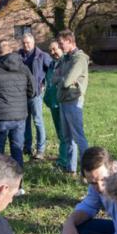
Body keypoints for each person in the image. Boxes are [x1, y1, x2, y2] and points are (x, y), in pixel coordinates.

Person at [0, 39, 35, 179]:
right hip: (19, 116)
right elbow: (32, 92)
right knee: (17, 151)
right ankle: (18, 185)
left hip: (0, 116)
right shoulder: (24, 68)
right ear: (11, 50)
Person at [54, 29, 90, 174]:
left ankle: (88, 170)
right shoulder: (65, 58)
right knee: (67, 137)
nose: (60, 46)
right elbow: (54, 78)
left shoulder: (79, 59)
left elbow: (66, 81)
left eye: (62, 43)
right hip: (63, 101)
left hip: (74, 101)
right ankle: (71, 169)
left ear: (70, 41)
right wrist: (63, 79)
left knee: (78, 136)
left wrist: (63, 79)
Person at [19, 34, 52, 160]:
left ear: (33, 42)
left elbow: (52, 70)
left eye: (28, 42)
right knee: (25, 122)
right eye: (24, 43)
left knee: (37, 121)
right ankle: (27, 147)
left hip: (36, 94)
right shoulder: (18, 56)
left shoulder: (42, 55)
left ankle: (40, 149)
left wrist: (44, 83)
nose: (26, 45)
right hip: (21, 94)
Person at [44, 40, 70, 170]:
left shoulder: (66, 63)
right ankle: (63, 158)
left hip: (63, 102)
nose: (53, 52)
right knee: (60, 133)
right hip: (53, 103)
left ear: (61, 48)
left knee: (65, 133)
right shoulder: (51, 64)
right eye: (50, 51)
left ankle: (64, 161)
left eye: (55, 49)